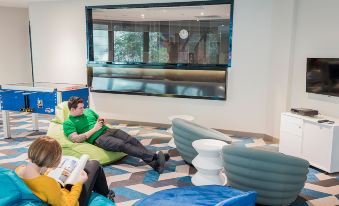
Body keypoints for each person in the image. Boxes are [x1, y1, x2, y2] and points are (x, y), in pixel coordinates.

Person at [63, 96, 169, 173]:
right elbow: (76, 139)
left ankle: (155, 164)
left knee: (132, 140)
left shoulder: (88, 111)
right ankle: (155, 156)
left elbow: (99, 118)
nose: (83, 109)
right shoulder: (68, 123)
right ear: (72, 109)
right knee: (123, 145)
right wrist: (94, 129)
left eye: (83, 106)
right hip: (98, 138)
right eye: (80, 108)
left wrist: (101, 120)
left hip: (108, 130)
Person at [15, 136, 115, 206]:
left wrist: (46, 172)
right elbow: (69, 204)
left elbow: (37, 182)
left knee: (89, 166)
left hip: (53, 193)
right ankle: (107, 195)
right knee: (94, 165)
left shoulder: (18, 171)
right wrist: (78, 183)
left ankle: (106, 194)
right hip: (70, 200)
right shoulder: (48, 184)